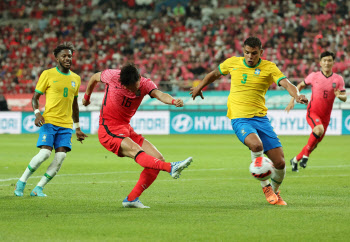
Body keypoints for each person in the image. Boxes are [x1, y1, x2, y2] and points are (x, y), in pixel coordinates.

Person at [190, 37, 308, 206]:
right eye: (247, 53)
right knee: (256, 145)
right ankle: (265, 187)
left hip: (261, 119)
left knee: (280, 163)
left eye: (254, 53)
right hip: (240, 118)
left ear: (261, 52)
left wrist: (297, 95)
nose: (250, 56)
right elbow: (214, 74)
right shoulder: (233, 63)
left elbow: (287, 84)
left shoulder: (269, 67)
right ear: (243, 51)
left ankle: (274, 192)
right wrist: (198, 87)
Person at [82, 63, 193, 208]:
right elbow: (94, 77)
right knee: (136, 151)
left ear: (139, 79)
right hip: (108, 130)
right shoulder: (112, 76)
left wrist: (173, 101)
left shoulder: (146, 84)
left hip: (126, 129)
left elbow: (160, 94)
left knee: (157, 159)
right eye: (127, 87)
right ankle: (170, 168)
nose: (131, 90)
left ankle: (132, 199)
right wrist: (86, 96)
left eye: (133, 86)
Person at [14, 42, 87, 197]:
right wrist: (36, 113)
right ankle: (21, 182)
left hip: (66, 125)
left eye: (70, 56)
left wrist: (78, 127)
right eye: (64, 56)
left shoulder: (76, 78)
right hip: (49, 121)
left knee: (61, 156)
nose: (68, 59)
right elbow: (35, 98)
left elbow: (75, 105)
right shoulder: (47, 74)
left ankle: (38, 188)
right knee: (45, 154)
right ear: (57, 58)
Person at [286, 51, 347, 172]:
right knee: (318, 130)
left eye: (329, 60)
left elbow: (344, 97)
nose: (327, 63)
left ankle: (294, 160)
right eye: (324, 60)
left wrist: (339, 96)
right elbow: (299, 86)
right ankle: (305, 156)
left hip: (326, 117)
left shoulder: (338, 79)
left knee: (314, 144)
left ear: (333, 62)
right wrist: (292, 100)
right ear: (320, 63)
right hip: (312, 112)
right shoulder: (314, 76)